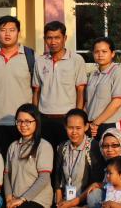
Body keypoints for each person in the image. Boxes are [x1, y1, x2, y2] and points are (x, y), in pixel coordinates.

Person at [33, 21, 87, 150]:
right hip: (44, 119)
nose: (53, 42)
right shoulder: (40, 61)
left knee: (66, 156)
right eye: (49, 38)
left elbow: (80, 91)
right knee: (47, 158)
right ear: (45, 39)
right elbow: (36, 92)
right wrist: (36, 118)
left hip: (67, 120)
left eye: (57, 37)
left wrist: (77, 117)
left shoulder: (76, 60)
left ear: (65, 38)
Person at [0, 15, 35, 154]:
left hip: (24, 123)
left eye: (12, 30)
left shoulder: (30, 56)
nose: (7, 34)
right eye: (3, 30)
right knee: (0, 164)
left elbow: (37, 90)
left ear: (18, 33)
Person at [5, 103, 53, 208]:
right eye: (19, 121)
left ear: (36, 122)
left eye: (27, 121)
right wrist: (9, 198)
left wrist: (23, 199)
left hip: (38, 200)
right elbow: (7, 174)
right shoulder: (13, 146)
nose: (22, 125)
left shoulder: (43, 146)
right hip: (15, 199)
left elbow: (44, 178)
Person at [53, 109, 104, 208]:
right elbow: (57, 177)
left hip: (86, 199)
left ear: (86, 127)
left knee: (95, 195)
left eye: (78, 128)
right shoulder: (62, 147)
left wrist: (75, 203)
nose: (74, 132)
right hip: (66, 199)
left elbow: (96, 182)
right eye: (70, 128)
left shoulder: (93, 146)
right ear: (65, 127)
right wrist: (59, 202)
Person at [85, 38, 121, 140]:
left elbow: (117, 102)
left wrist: (96, 123)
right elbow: (88, 102)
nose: (100, 55)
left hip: (110, 124)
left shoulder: (118, 73)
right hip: (93, 125)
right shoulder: (93, 75)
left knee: (113, 155)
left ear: (112, 53)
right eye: (96, 52)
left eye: (104, 51)